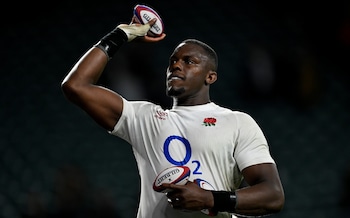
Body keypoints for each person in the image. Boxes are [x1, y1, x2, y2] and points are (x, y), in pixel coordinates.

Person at [61, 14, 285, 218]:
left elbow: (273, 195)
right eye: (172, 62)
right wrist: (120, 35)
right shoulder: (145, 118)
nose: (176, 65)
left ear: (211, 77)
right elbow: (76, 85)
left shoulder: (237, 122)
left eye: (189, 61)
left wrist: (210, 199)